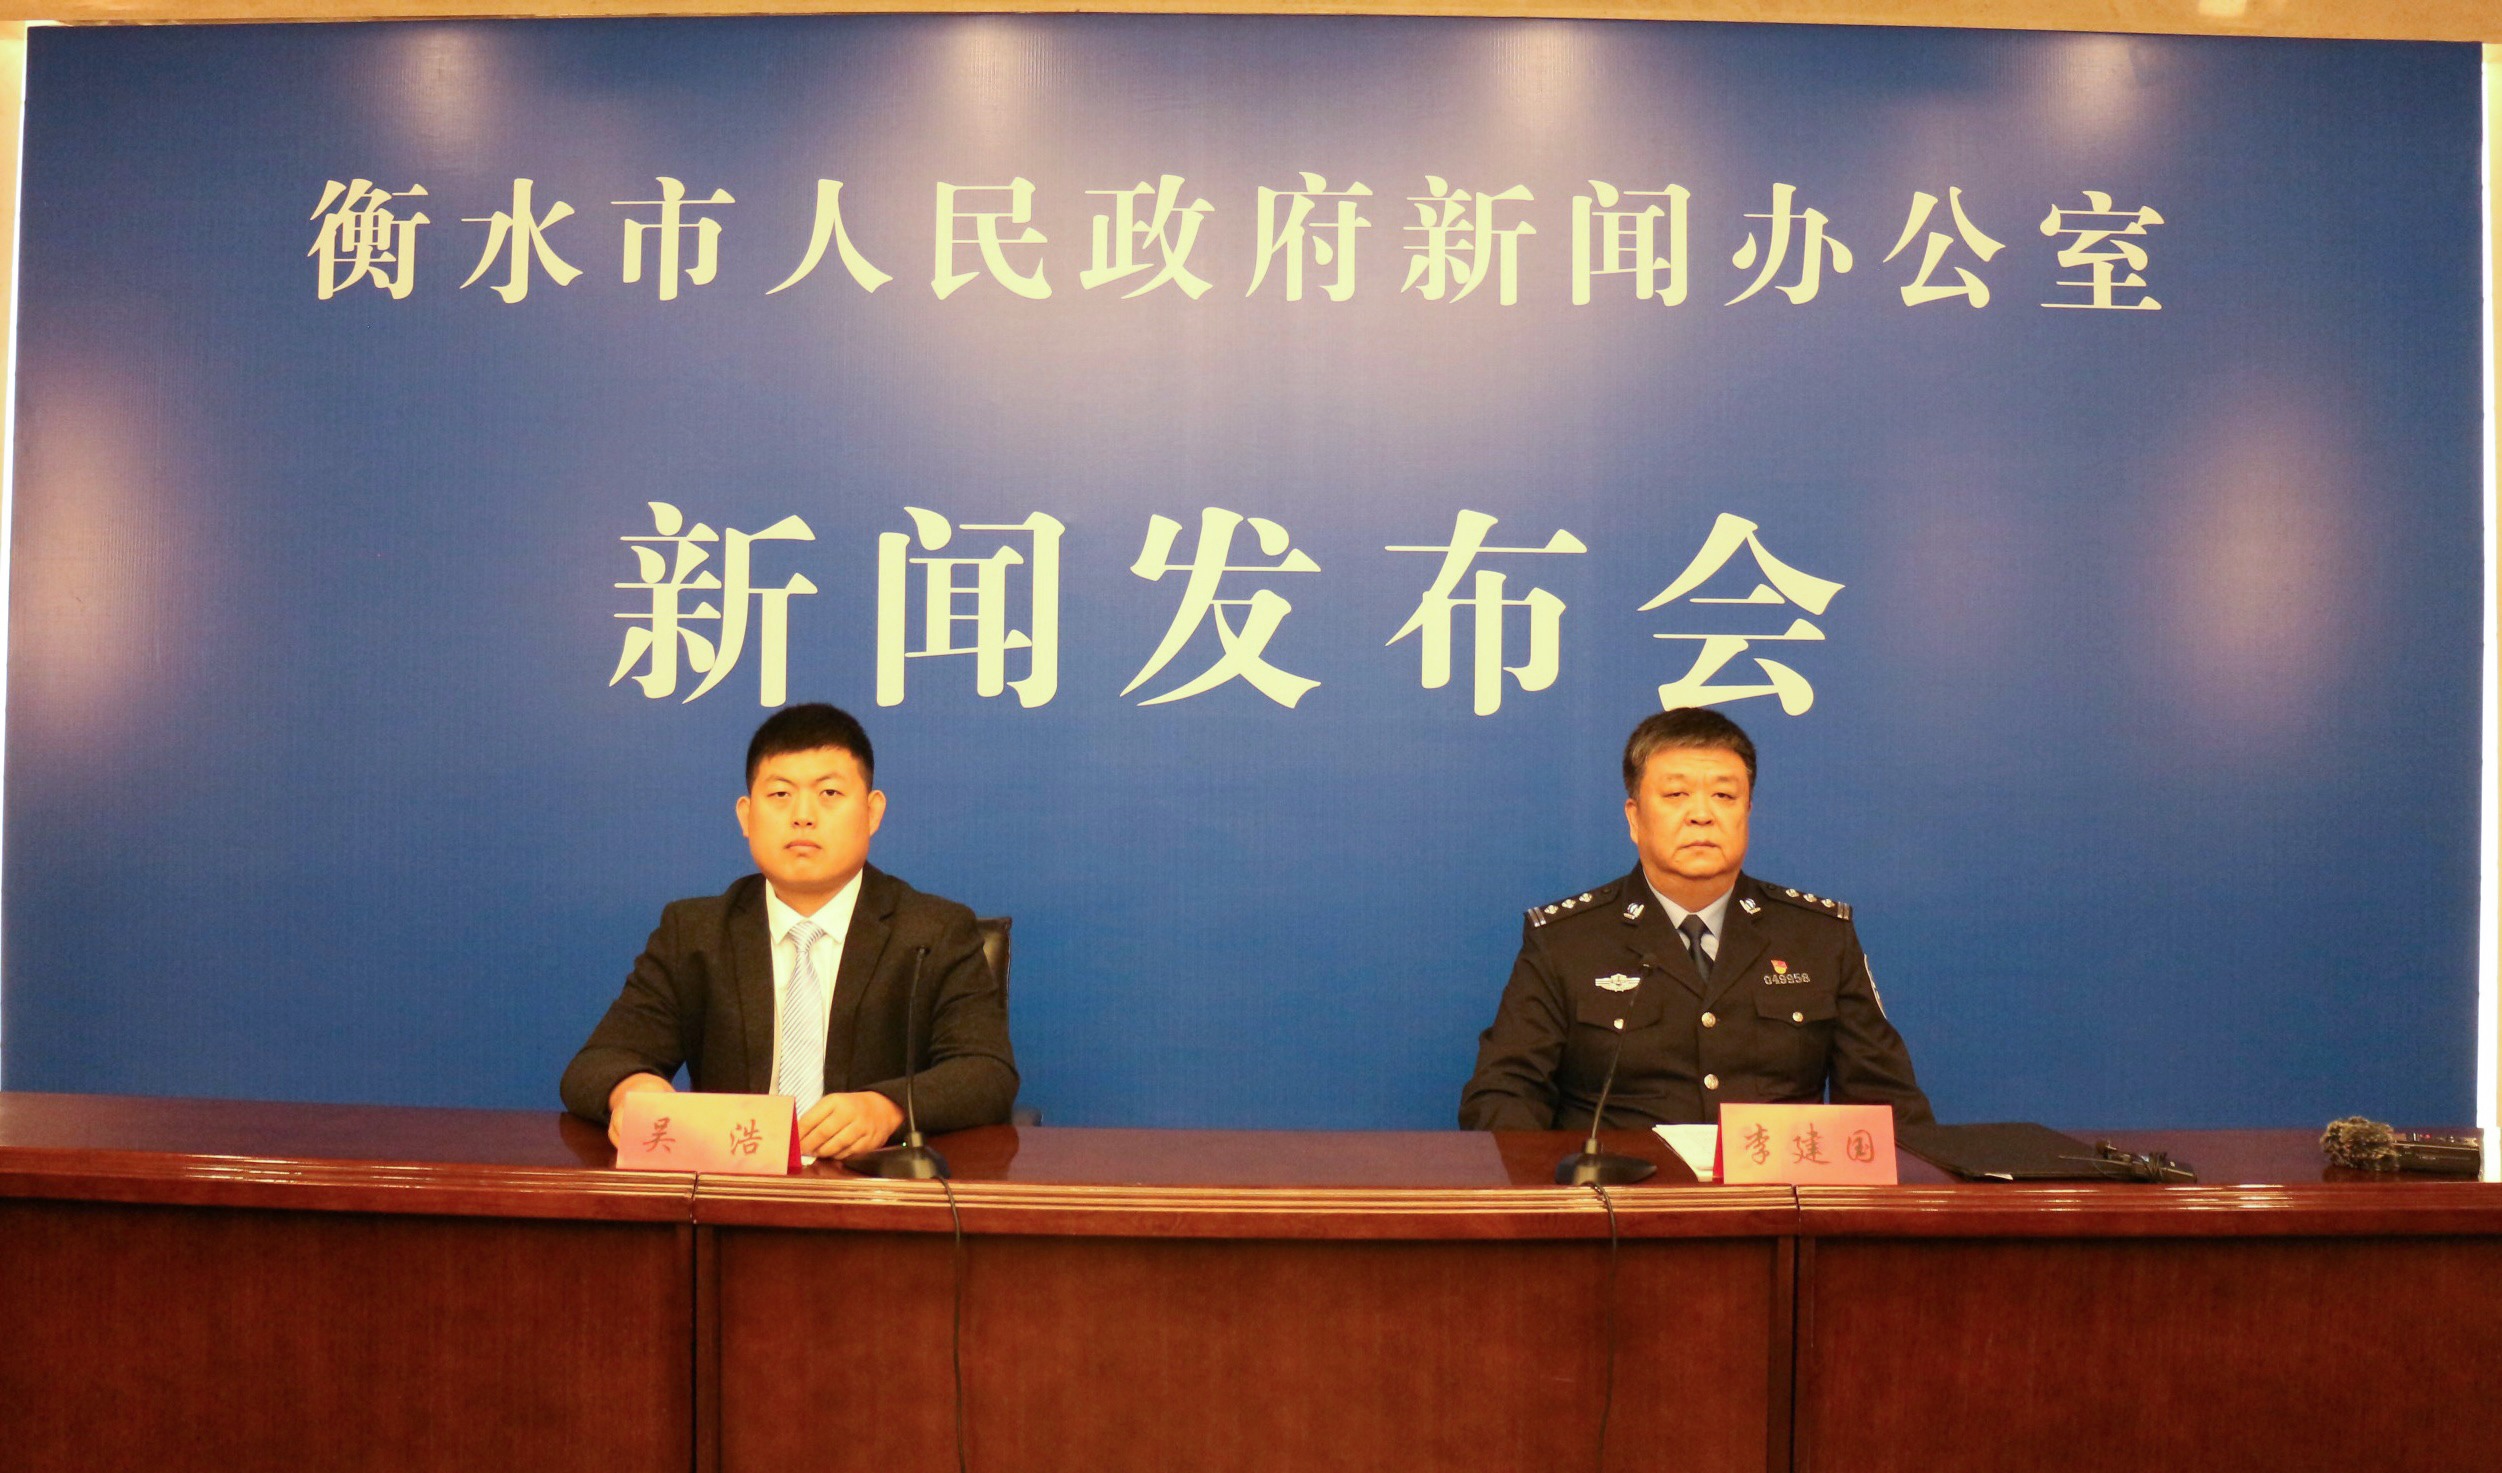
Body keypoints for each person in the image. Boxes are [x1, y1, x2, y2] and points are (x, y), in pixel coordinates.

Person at [561, 703, 1018, 1160]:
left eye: (829, 793)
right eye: (780, 794)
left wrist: (887, 1107)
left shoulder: (933, 932)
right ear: (746, 816)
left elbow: (987, 1072)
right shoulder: (695, 933)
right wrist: (632, 1089)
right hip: (734, 1184)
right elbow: (596, 1064)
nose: (803, 815)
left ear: (872, 811)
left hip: (872, 1187)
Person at [1459, 708, 1931, 1132]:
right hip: (1620, 1195)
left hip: (1776, 1192)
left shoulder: (1819, 936)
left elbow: (1887, 1104)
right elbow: (1503, 1095)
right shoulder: (1567, 940)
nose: (1701, 814)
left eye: (1724, 795)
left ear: (1748, 812)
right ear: (1634, 818)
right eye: (1676, 794)